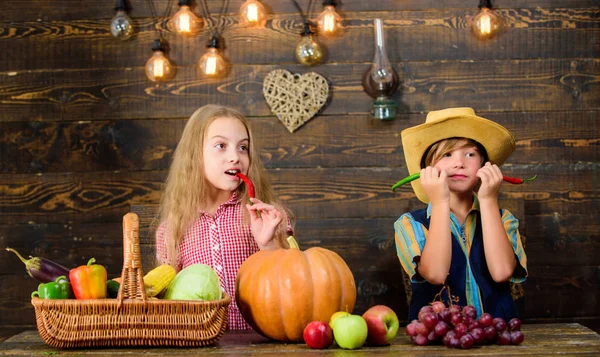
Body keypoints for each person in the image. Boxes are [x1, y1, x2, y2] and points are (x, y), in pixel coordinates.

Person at [155, 104, 293, 330]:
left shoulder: (268, 216)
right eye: (221, 146)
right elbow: (169, 306)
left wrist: (268, 245)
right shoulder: (172, 229)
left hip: (261, 346)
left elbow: (294, 289)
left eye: (243, 148)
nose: (234, 157)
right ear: (194, 155)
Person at [394, 107, 527, 322]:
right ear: (428, 168)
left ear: (484, 164)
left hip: (495, 338)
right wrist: (439, 202)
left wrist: (488, 200)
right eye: (447, 154)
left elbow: (502, 272)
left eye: (470, 154)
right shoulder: (409, 224)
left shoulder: (504, 219)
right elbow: (435, 274)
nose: (459, 163)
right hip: (437, 341)